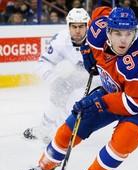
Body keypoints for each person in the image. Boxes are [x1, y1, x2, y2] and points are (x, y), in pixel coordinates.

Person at [18, 6, 138, 170]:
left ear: (135, 33)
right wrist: (88, 49)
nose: (124, 39)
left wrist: (99, 103)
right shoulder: (97, 30)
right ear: (107, 31)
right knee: (69, 128)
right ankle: (44, 167)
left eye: (129, 34)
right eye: (118, 33)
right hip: (112, 90)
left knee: (124, 140)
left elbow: (135, 104)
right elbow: (101, 11)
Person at [23, 7, 99, 144]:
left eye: (81, 26)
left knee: (76, 97)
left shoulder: (97, 40)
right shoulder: (61, 39)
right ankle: (44, 128)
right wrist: (55, 80)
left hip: (99, 79)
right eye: (74, 26)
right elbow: (43, 63)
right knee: (60, 92)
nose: (77, 31)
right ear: (68, 26)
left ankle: (60, 130)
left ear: (87, 26)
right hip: (79, 74)